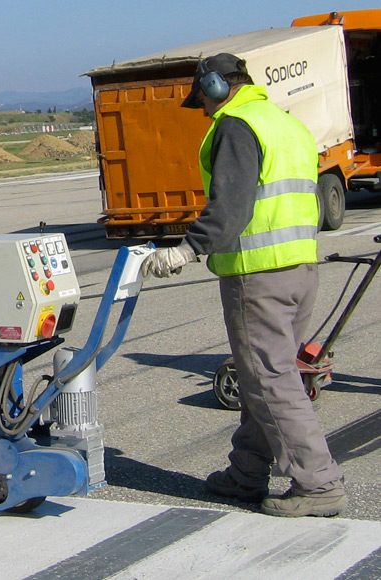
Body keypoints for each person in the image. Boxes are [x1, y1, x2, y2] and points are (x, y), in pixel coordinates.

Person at [141, 53, 345, 517]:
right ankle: (248, 473)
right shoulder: (286, 123)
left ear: (216, 87)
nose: (206, 112)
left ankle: (319, 485)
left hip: (259, 275)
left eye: (205, 102)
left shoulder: (236, 125)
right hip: (299, 269)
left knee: (271, 381)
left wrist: (187, 250)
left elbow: (232, 206)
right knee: (264, 378)